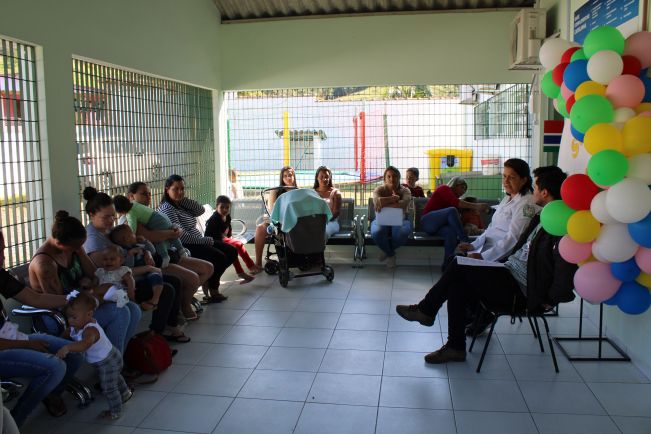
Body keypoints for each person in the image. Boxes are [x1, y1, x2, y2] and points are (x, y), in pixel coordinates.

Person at [395, 166, 576, 364]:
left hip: (522, 289)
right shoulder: (541, 217)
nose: (534, 191)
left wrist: (551, 299)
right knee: (457, 281)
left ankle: (428, 312)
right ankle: (454, 345)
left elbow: (565, 268)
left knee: (458, 266)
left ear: (545, 192)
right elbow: (507, 240)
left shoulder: (558, 225)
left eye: (536, 187)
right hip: (508, 271)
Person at [80, 187, 189, 342]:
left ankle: (169, 327)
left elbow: (131, 246)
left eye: (113, 216)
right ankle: (155, 334)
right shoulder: (93, 240)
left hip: (131, 275)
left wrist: (146, 252)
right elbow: (111, 273)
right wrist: (148, 268)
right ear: (92, 215)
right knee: (167, 289)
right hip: (119, 285)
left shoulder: (108, 231)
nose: (111, 221)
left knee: (175, 281)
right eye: (106, 217)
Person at [28, 210, 142, 354]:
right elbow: (62, 305)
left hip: (83, 302)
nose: (79, 249)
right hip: (66, 315)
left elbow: (94, 274)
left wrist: (95, 284)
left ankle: (116, 358)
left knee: (134, 309)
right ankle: (112, 362)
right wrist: (94, 294)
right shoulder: (45, 265)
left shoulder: (72, 246)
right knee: (120, 312)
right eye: (76, 247)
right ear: (59, 243)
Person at [0, 230, 82, 427]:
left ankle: (51, 394)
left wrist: (73, 300)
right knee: (54, 367)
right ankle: (15, 421)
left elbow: (35, 298)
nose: (3, 256)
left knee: (73, 354)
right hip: (5, 346)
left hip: (12, 338)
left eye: (3, 249)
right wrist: (28, 345)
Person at [125, 181, 213, 320]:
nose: (148, 197)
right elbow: (151, 236)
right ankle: (184, 305)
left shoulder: (148, 213)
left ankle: (184, 299)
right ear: (131, 196)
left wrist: (175, 231)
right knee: (193, 278)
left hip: (170, 252)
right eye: (143, 194)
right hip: (156, 260)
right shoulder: (131, 217)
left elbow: (171, 228)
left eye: (149, 194)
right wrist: (173, 233)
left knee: (208, 268)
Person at [158, 174, 237, 303]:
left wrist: (182, 200)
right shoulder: (168, 208)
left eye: (182, 189)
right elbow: (181, 236)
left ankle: (210, 282)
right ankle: (212, 289)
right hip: (185, 246)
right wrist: (203, 240)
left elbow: (200, 210)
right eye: (176, 189)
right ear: (167, 189)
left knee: (232, 251)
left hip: (198, 241)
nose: (180, 192)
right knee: (220, 257)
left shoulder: (180, 204)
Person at [57, 291, 132, 420]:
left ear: (89, 314)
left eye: (74, 317)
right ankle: (125, 393)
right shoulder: (76, 326)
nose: (70, 321)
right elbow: (67, 333)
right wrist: (58, 340)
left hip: (108, 361)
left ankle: (115, 411)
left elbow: (84, 345)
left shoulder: (90, 330)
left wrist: (67, 348)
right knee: (115, 377)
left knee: (108, 388)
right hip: (108, 358)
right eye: (68, 317)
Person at [457, 159, 539, 262]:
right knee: (454, 259)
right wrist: (473, 245)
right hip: (486, 249)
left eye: (511, 177)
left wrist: (484, 257)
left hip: (501, 257)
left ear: (523, 180)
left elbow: (514, 238)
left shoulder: (527, 204)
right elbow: (492, 228)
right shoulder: (508, 198)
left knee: (456, 264)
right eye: (504, 176)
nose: (506, 181)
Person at [420, 177, 488, 269]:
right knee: (451, 210)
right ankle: (465, 240)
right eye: (462, 187)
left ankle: (447, 265)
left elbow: (456, 220)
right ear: (455, 184)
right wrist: (477, 206)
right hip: (427, 222)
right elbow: (456, 203)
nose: (463, 191)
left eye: (465, 189)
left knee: (451, 232)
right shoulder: (444, 188)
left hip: (439, 228)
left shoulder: (454, 201)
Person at [113, 194, 184, 269]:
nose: (148, 196)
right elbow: (153, 237)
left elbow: (133, 229)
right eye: (144, 193)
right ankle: (179, 250)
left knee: (160, 240)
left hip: (157, 225)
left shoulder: (131, 214)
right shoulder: (133, 206)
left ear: (120, 211)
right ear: (130, 198)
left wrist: (132, 235)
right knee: (169, 237)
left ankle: (166, 256)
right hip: (160, 220)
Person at [205, 195, 261, 284]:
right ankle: (249, 268)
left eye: (227, 207)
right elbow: (216, 237)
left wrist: (230, 237)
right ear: (216, 206)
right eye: (222, 207)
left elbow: (228, 229)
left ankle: (244, 271)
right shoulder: (214, 219)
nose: (225, 210)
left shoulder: (227, 216)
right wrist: (229, 239)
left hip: (222, 239)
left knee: (234, 247)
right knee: (237, 245)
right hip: (213, 241)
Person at [109, 225, 164, 310]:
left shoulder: (137, 244)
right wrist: (130, 254)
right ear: (126, 239)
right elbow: (128, 267)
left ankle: (154, 300)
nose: (135, 235)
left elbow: (153, 251)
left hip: (148, 273)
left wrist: (145, 241)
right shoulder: (123, 252)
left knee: (156, 277)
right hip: (136, 278)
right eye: (132, 234)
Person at [254, 166, 297, 267]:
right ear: (282, 178)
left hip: (293, 223)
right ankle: (258, 264)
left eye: (290, 175)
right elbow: (271, 210)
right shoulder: (276, 191)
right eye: (285, 176)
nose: (288, 178)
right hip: (277, 222)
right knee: (260, 229)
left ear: (294, 176)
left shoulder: (298, 192)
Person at [371, 166, 413, 269]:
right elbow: (376, 201)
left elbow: (403, 204)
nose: (392, 179)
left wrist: (383, 202)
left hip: (401, 219)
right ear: (384, 179)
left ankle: (387, 251)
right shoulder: (379, 189)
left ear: (399, 178)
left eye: (394, 176)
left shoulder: (406, 190)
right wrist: (394, 199)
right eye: (388, 176)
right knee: (377, 233)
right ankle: (391, 254)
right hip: (382, 220)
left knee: (402, 233)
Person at [313, 166, 342, 239]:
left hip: (331, 223)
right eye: (321, 177)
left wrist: (322, 220)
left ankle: (318, 247)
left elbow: (336, 213)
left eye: (326, 177)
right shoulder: (311, 193)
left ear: (330, 178)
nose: (324, 179)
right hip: (314, 223)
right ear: (317, 178)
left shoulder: (335, 193)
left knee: (322, 232)